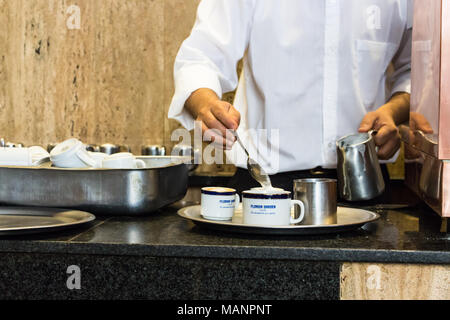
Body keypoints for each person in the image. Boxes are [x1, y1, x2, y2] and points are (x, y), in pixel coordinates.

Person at [168, 0, 412, 196]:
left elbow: (418, 71)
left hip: (366, 185)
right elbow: (201, 57)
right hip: (264, 188)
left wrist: (394, 111)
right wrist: (206, 104)